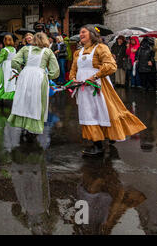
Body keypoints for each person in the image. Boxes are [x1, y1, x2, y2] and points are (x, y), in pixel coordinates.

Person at [69, 25, 146, 156]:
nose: (80, 34)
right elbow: (73, 70)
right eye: (80, 32)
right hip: (83, 87)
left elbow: (111, 66)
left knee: (103, 111)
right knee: (89, 113)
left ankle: (99, 145)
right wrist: (73, 79)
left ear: (92, 34)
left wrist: (94, 77)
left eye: (84, 32)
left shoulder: (101, 48)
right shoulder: (78, 52)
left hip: (98, 85)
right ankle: (101, 141)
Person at [8, 32, 59, 135]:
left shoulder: (25, 49)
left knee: (24, 100)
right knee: (37, 102)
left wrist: (21, 70)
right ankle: (34, 127)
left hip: (25, 75)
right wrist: (48, 76)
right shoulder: (48, 51)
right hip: (39, 76)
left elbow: (14, 62)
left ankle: (23, 126)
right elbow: (55, 70)